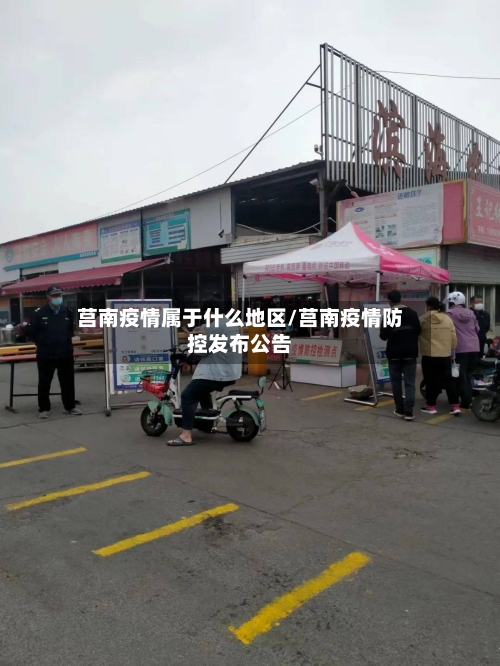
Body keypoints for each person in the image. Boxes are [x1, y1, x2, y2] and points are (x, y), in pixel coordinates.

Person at [167, 303, 243, 446]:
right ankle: (206, 424)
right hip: (232, 370)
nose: (205, 316)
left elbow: (203, 351)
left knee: (188, 396)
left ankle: (186, 436)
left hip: (218, 372)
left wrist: (192, 342)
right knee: (202, 391)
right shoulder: (231, 323)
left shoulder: (215, 326)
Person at [23, 286, 82, 419]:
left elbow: (70, 331)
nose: (57, 298)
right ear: (48, 297)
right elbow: (31, 333)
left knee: (67, 381)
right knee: (44, 382)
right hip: (46, 354)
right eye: (54, 295)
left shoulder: (68, 312)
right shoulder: (39, 313)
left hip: (65, 353)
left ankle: (70, 406)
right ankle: (44, 409)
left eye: (59, 295)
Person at [379, 290, 421, 421]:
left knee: (396, 382)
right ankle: (409, 411)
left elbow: (383, 336)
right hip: (410, 353)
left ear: (390, 301)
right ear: (400, 299)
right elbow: (418, 331)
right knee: (410, 383)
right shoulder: (412, 313)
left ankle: (399, 408)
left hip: (394, 354)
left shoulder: (388, 315)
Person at [419, 297, 460, 416]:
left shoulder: (423, 319)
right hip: (445, 354)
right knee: (449, 381)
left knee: (430, 380)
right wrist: (451, 349)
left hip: (429, 355)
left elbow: (416, 333)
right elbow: (453, 336)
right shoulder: (447, 319)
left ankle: (431, 406)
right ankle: (455, 405)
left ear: (429, 306)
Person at [446, 291, 480, 409]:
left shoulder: (449, 314)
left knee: (460, 376)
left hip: (460, 349)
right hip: (474, 347)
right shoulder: (471, 313)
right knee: (468, 374)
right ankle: (469, 397)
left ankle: (466, 401)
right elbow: (477, 329)